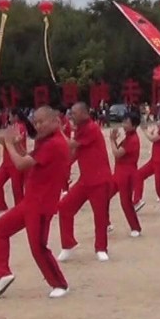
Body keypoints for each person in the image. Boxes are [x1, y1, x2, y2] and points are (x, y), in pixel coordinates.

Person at [0, 107, 71, 299]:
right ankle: (2, 274)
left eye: (42, 121)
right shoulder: (47, 142)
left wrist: (9, 144)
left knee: (38, 247)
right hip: (31, 201)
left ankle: (60, 284)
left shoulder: (55, 143)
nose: (38, 125)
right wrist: (16, 146)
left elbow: (21, 164)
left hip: (41, 203)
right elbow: (31, 159)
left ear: (55, 121)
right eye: (36, 122)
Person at [57, 102, 115, 262]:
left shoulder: (91, 128)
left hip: (100, 180)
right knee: (64, 207)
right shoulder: (81, 130)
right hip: (85, 180)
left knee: (100, 216)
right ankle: (68, 244)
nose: (71, 115)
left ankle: (101, 248)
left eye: (74, 113)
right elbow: (75, 153)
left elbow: (71, 145)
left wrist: (59, 131)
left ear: (84, 113)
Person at [109, 111, 143, 238]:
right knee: (105, 196)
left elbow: (117, 153)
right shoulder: (128, 137)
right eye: (124, 122)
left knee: (125, 202)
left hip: (127, 173)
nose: (124, 125)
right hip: (119, 172)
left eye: (127, 123)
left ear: (134, 126)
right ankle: (106, 223)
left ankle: (135, 227)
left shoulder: (133, 139)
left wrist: (112, 140)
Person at [0, 111, 29, 213]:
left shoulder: (20, 127)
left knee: (17, 188)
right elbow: (5, 140)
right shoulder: (11, 127)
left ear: (15, 116)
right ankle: (1, 206)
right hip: (6, 162)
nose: (9, 118)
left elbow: (10, 141)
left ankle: (20, 210)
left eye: (10, 116)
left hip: (15, 161)